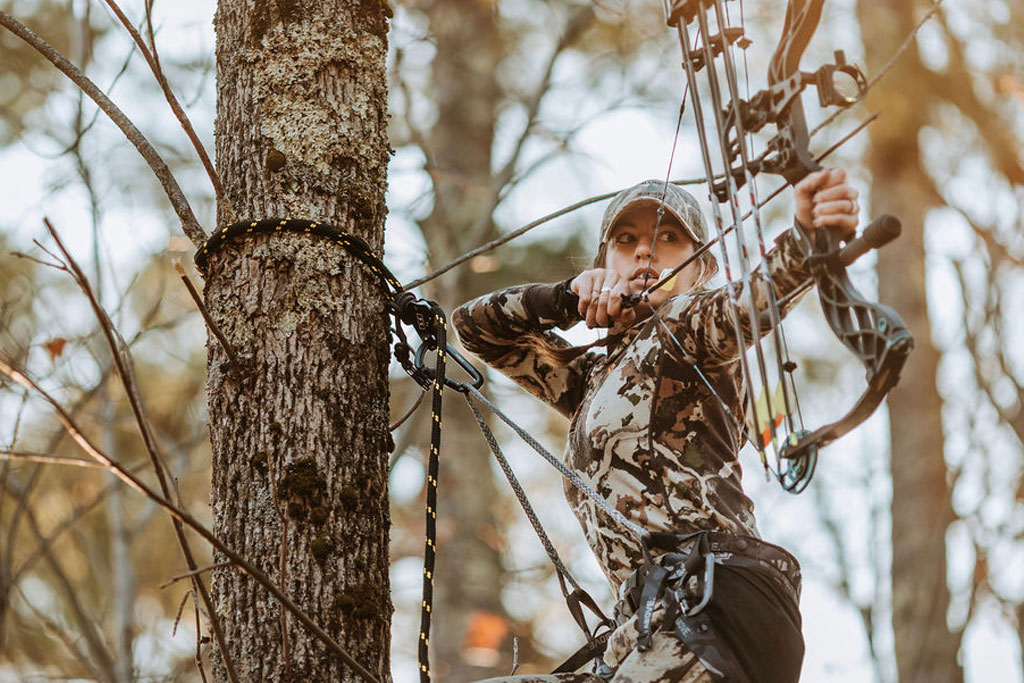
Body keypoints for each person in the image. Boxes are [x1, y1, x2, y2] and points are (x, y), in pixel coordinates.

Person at [453, 170, 860, 683]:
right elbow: (475, 329)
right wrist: (564, 299)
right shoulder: (591, 379)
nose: (646, 251)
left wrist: (807, 237)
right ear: (603, 263)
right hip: (647, 628)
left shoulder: (687, 328)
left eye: (669, 237)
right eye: (626, 240)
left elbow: (753, 300)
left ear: (700, 269)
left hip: (715, 610)